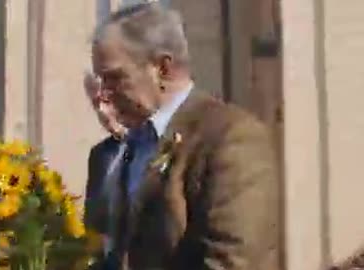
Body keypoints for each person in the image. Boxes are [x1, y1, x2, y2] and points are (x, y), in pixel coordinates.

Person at [88, 2, 280, 270]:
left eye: (115, 78)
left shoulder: (231, 138)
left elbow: (232, 262)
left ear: (162, 69)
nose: (104, 93)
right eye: (100, 80)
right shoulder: (107, 156)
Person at [84, 71, 128, 255]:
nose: (101, 111)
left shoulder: (156, 145)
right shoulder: (99, 154)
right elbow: (92, 222)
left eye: (107, 101)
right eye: (96, 103)